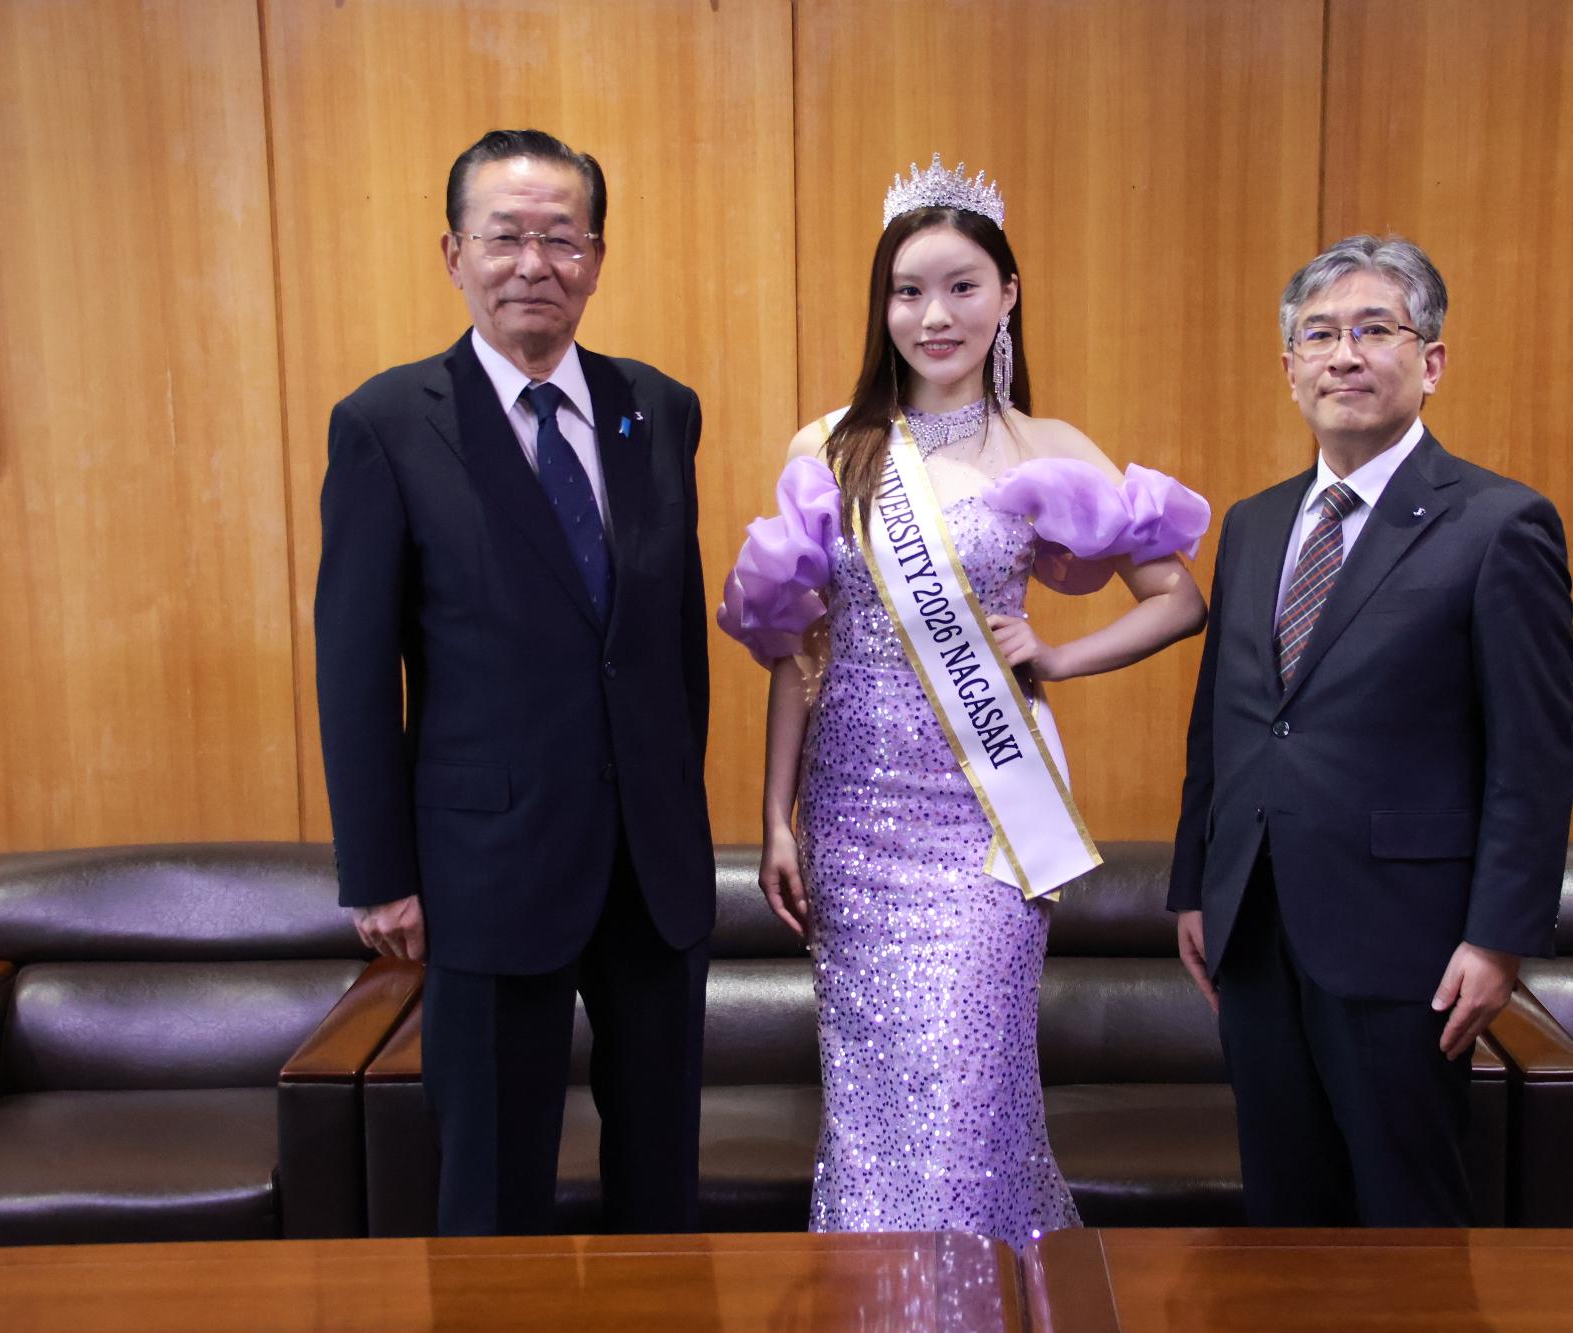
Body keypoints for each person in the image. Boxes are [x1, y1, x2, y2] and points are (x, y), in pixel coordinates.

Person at [718, 156, 1211, 1250]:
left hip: (989, 819)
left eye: (960, 287)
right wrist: (773, 816)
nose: (932, 316)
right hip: (852, 817)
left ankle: (984, 1299)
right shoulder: (830, 446)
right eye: (907, 291)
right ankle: (877, 1302)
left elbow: (1179, 601)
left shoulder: (1047, 448)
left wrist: (1059, 656)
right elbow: (796, 647)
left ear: (1007, 294)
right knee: (872, 1112)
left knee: (968, 1095)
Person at [314, 129, 714, 1237]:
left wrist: (678, 805)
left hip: (653, 871)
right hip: (485, 869)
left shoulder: (656, 408)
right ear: (454, 253)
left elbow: (671, 642)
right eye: (504, 237)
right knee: (492, 1191)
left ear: (596, 257)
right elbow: (355, 667)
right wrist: (379, 874)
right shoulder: (388, 424)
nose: (534, 263)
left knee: (661, 1190)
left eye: (562, 238)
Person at [1169, 235, 1573, 1226]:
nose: (1342, 355)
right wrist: (1195, 886)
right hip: (1253, 925)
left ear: (1429, 361)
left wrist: (1498, 937)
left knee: (1408, 1218)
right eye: (1318, 335)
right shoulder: (1255, 522)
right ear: (1289, 368)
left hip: (1405, 942)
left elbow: (1531, 755)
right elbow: (1222, 722)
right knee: (1283, 1213)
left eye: (1372, 330)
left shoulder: (1497, 523)